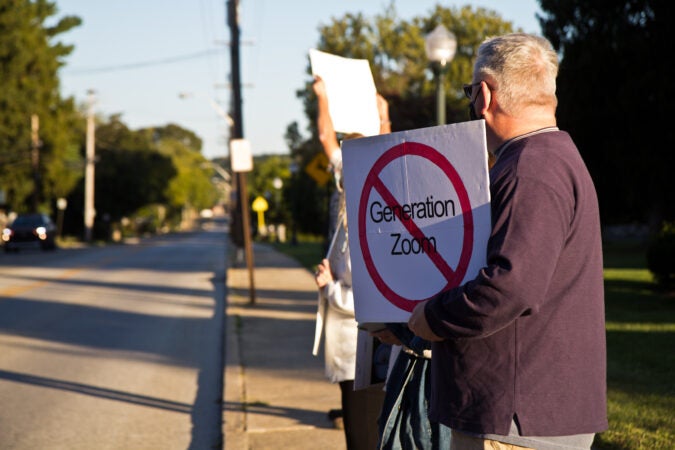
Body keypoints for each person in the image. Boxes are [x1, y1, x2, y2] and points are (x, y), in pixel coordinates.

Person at [407, 32, 608, 449]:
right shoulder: (553, 156)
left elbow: (509, 287)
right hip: (532, 409)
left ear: (484, 95)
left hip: (515, 418)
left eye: (469, 91)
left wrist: (433, 318)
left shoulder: (530, 168)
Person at [311, 75, 390, 450]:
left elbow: (369, 297)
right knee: (360, 429)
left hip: (362, 349)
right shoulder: (349, 214)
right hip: (351, 351)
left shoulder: (367, 223)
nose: (340, 171)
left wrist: (329, 287)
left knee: (363, 435)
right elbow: (328, 139)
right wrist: (323, 98)